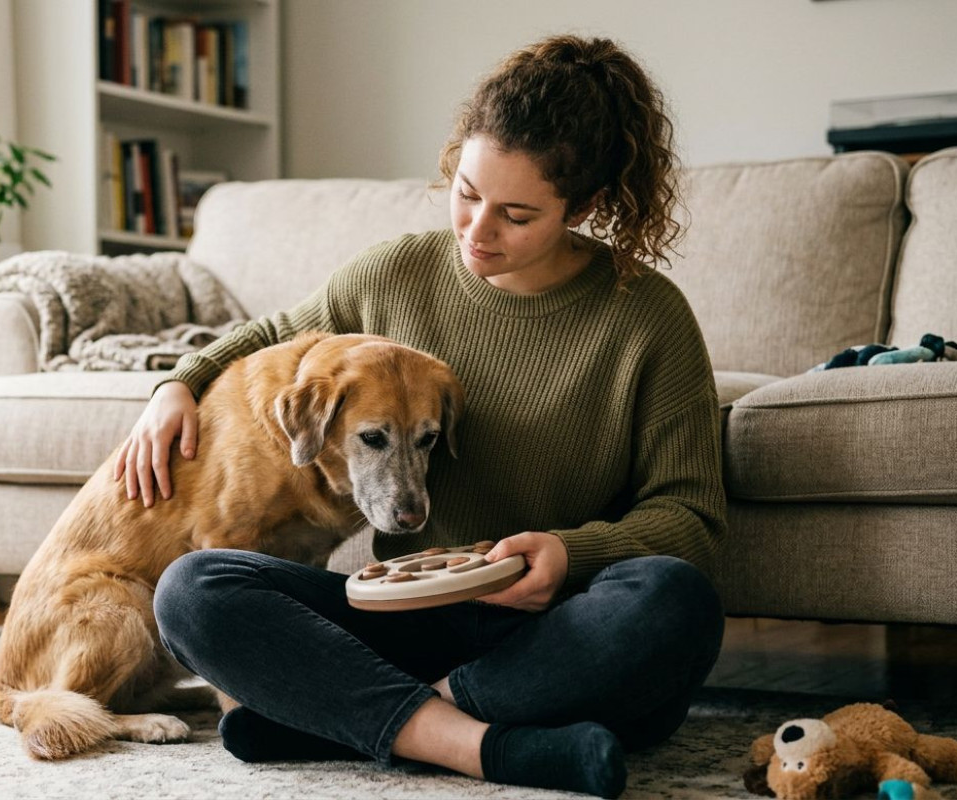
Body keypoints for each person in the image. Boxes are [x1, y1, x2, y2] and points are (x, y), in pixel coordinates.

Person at [115, 35, 726, 799]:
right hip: (407, 618)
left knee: (677, 603)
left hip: (553, 633)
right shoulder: (395, 271)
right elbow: (275, 335)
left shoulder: (648, 319)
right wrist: (176, 382)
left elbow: (692, 519)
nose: (477, 231)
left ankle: (357, 718)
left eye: (516, 214)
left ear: (587, 207)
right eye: (466, 192)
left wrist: (569, 556)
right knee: (191, 589)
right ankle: (486, 743)